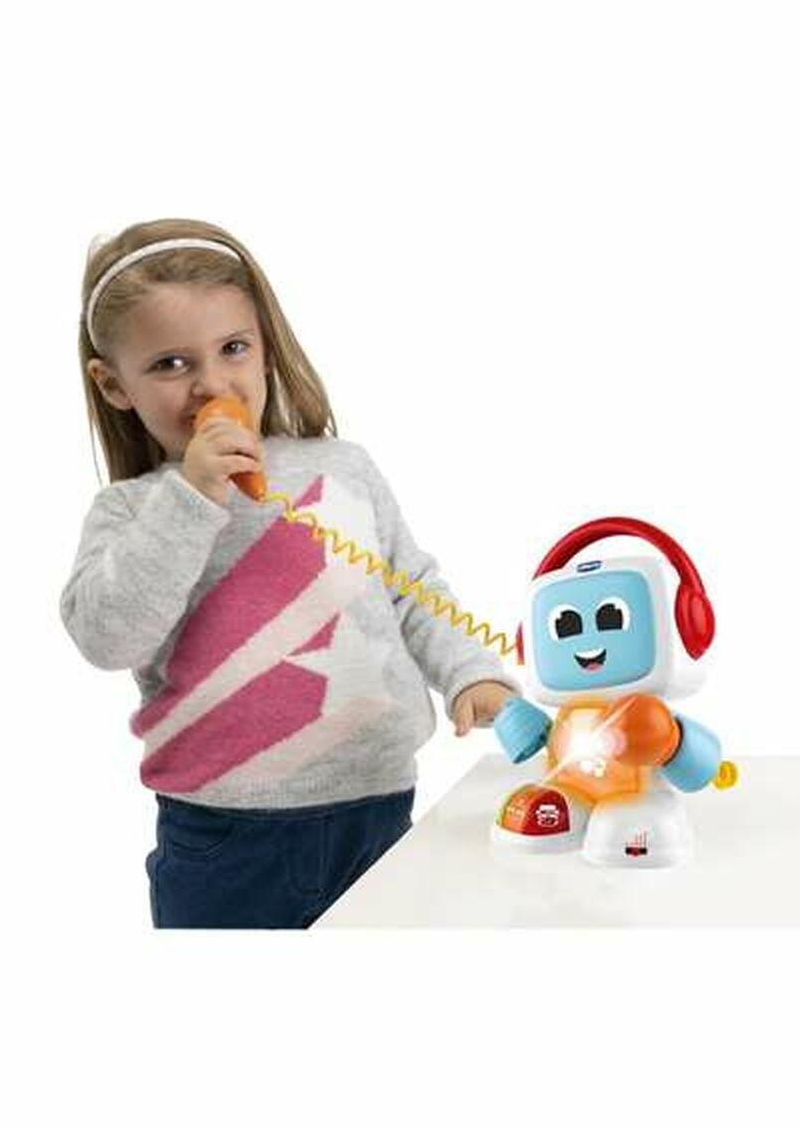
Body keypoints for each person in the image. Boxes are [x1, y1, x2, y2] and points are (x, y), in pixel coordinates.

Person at [61, 217, 517, 928]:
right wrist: (193, 495)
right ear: (114, 384)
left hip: (379, 809)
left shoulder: (344, 468)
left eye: (233, 348)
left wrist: (469, 673)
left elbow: (411, 588)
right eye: (170, 364)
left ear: (266, 348)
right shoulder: (132, 512)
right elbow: (106, 636)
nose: (211, 383)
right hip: (226, 840)